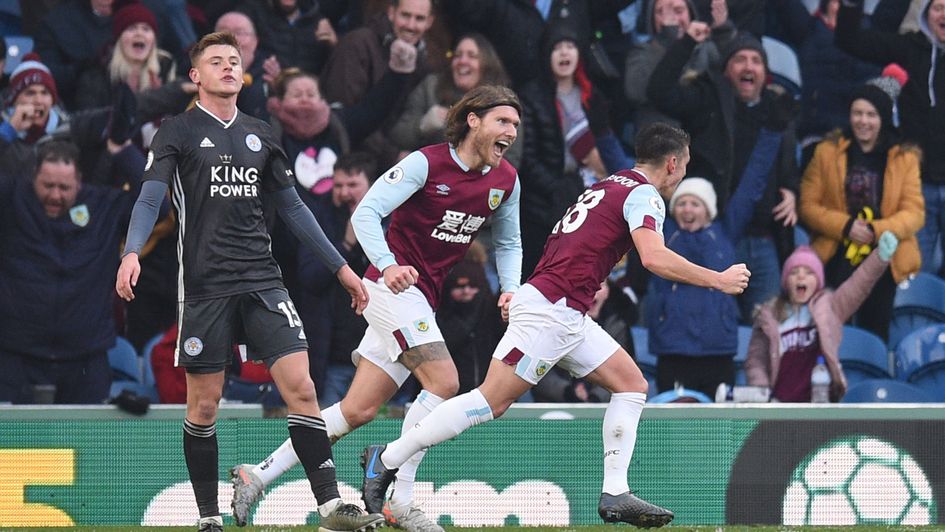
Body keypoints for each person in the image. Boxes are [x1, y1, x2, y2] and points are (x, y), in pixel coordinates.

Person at [359, 122, 751, 528]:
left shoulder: (607, 185)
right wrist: (718, 279)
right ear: (672, 163)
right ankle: (385, 458)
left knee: (632, 385)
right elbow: (653, 257)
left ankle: (615, 492)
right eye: (684, 165)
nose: (683, 173)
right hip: (551, 310)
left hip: (565, 310)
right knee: (490, 401)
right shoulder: (645, 195)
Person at [113, 31, 382, 532]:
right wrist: (132, 252)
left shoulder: (263, 132)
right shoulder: (176, 131)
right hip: (205, 287)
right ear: (195, 75)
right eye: (216, 62)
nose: (229, 68)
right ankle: (209, 516)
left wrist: (342, 269)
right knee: (204, 403)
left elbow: (294, 209)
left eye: (235, 61)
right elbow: (149, 198)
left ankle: (329, 506)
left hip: (263, 280)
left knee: (302, 387)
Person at [229, 84, 524, 532]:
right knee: (445, 382)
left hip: (421, 297)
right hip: (390, 289)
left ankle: (258, 472)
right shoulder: (427, 162)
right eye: (503, 121)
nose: (512, 133)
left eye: (517, 126)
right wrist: (386, 265)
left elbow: (508, 240)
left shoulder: (506, 181)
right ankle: (398, 497)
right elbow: (365, 213)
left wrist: (510, 287)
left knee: (357, 410)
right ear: (473, 120)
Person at [648, 30, 800, 322]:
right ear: (726, 69)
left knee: (766, 330)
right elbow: (660, 92)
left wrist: (792, 191)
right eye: (740, 59)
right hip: (717, 236)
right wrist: (688, 41)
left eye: (756, 61)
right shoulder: (708, 98)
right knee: (715, 323)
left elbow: (788, 167)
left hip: (765, 239)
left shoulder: (777, 109)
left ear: (765, 72)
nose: (748, 66)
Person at [647, 126, 784, 397]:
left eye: (695, 204)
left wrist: (772, 132)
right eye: (682, 203)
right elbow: (637, 181)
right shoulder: (664, 232)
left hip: (717, 350)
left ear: (708, 210)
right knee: (675, 430)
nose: (688, 209)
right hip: (673, 349)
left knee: (717, 429)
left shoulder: (725, 231)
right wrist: (603, 134)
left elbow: (752, 184)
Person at [0, 140, 140, 404]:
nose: (55, 195)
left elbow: (157, 205)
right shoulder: (11, 200)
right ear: (33, 178)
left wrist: (123, 150)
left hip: (85, 358)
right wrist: (11, 136)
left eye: (64, 187)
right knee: (14, 443)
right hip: (16, 356)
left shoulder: (103, 206)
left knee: (84, 443)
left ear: (79, 182)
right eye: (47, 186)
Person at [799, 67, 925, 342]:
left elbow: (914, 213)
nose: (863, 121)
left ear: (882, 118)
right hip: (836, 255)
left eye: (871, 115)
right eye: (858, 113)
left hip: (885, 259)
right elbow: (808, 205)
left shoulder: (905, 158)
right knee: (828, 331)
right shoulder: (827, 152)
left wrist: (874, 229)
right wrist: (846, 227)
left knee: (875, 332)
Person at [835, 0, 945, 278]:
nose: (944, 15)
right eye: (938, 8)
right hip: (915, 188)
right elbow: (849, 40)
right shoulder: (908, 48)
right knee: (916, 275)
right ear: (925, 14)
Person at [745, 237, 899, 402]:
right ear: (785, 281)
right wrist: (761, 390)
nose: (801, 278)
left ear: (818, 281)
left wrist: (879, 257)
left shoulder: (830, 307)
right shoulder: (769, 316)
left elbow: (858, 284)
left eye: (809, 273)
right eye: (794, 272)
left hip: (819, 402)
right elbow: (756, 360)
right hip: (779, 405)